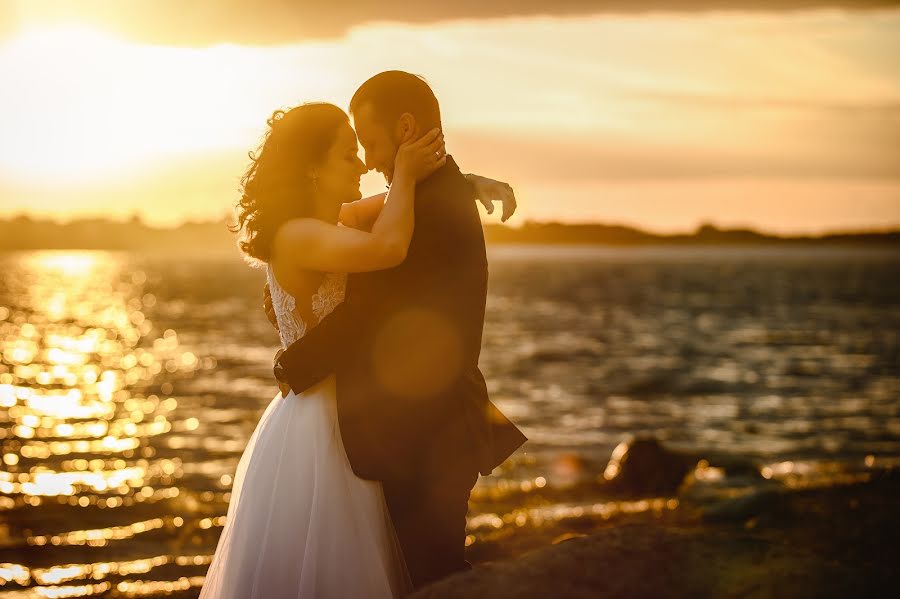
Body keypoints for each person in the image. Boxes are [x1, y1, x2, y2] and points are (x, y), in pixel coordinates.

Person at [200, 96, 521, 598]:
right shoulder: (298, 235)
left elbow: (390, 207)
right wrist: (409, 176)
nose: (362, 164)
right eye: (346, 154)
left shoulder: (329, 221)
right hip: (323, 422)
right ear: (311, 169)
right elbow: (388, 247)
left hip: (352, 409)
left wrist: (466, 182)